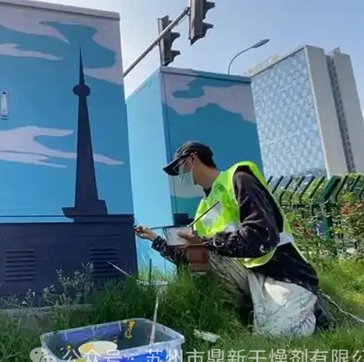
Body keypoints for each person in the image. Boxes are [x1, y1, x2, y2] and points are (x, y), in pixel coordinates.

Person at [135, 141, 334, 337]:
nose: (181, 176)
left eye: (180, 168)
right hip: (249, 275)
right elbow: (190, 255)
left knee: (278, 334)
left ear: (193, 159)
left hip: (282, 270)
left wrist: (206, 241)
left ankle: (314, 311)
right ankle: (245, 314)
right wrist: (154, 239)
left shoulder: (239, 179)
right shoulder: (204, 208)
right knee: (200, 259)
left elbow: (261, 237)